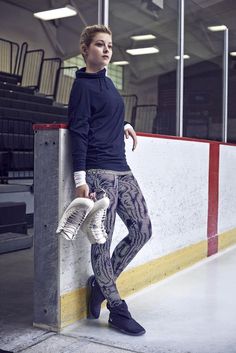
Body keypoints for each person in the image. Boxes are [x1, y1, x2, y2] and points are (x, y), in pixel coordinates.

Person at [68, 24, 152, 336]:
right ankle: (116, 308)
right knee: (102, 243)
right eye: (100, 45)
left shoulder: (106, 83)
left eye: (110, 46)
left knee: (143, 230)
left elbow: (109, 113)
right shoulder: (82, 87)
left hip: (122, 168)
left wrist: (125, 122)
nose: (106, 50)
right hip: (98, 172)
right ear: (85, 49)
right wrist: (80, 180)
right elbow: (79, 133)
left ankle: (99, 284)